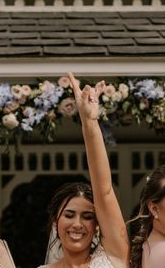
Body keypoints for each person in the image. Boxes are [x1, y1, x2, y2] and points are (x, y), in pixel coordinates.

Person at [38, 72, 130, 268]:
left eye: (87, 217)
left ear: (97, 225)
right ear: (56, 222)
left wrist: (89, 122)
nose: (77, 224)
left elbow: (103, 190)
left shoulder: (114, 255)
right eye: (69, 215)